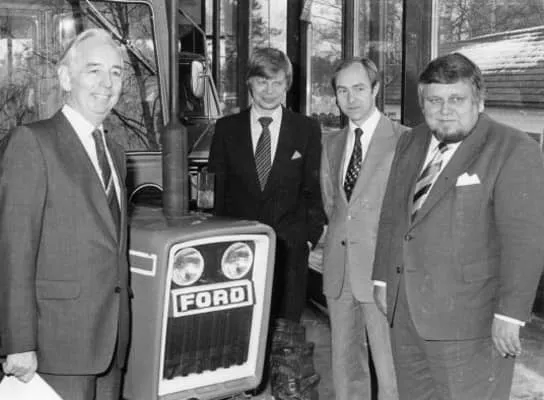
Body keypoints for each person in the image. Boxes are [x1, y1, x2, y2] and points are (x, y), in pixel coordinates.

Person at [372, 52, 544, 399]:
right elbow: (392, 214)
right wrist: (381, 278)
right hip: (406, 314)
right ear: (422, 103)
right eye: (434, 100)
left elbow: (525, 242)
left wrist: (510, 315)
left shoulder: (513, 149)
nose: (445, 110)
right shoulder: (412, 140)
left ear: (479, 101)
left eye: (457, 99)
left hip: (471, 323)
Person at [0, 28, 131, 400]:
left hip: (110, 342)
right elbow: (13, 250)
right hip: (56, 344)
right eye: (94, 70)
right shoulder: (31, 142)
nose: (107, 84)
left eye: (116, 73)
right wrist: (19, 342)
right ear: (66, 78)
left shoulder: (116, 153)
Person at [208, 47, 326, 324]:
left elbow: (314, 189)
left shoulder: (306, 129)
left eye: (277, 82)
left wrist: (308, 238)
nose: (269, 91)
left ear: (287, 84)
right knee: (240, 327)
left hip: (291, 253)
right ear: (249, 82)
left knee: (286, 334)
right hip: (238, 253)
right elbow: (215, 192)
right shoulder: (226, 129)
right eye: (262, 81)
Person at [320, 58, 403, 400]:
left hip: (382, 273)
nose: (350, 98)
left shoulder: (404, 139)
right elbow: (333, 206)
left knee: (390, 367)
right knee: (345, 365)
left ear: (376, 89)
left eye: (358, 89)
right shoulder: (332, 143)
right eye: (342, 91)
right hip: (339, 272)